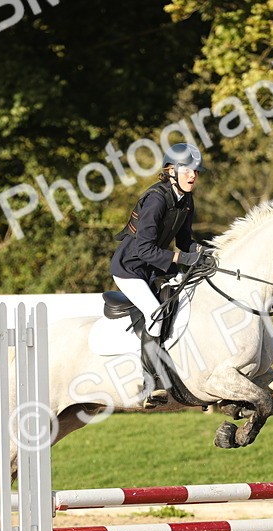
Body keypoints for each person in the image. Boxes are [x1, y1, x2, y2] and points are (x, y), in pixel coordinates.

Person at [110, 142, 210, 404]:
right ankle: (150, 382)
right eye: (188, 170)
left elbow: (185, 241)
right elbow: (143, 248)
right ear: (171, 170)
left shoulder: (186, 200)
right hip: (130, 268)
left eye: (196, 172)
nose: (193, 176)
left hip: (154, 268)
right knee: (155, 314)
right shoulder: (156, 198)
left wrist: (205, 251)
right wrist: (182, 258)